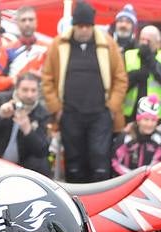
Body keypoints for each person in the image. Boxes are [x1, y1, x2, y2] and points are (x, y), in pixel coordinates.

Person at [41, 1, 126, 183]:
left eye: (88, 26)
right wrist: (56, 108)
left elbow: (120, 78)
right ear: (74, 25)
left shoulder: (107, 44)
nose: (84, 30)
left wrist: (112, 107)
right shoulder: (59, 44)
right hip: (70, 113)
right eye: (80, 26)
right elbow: (47, 78)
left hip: (100, 114)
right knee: (74, 162)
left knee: (99, 160)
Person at [0, 69, 51, 175]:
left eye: (33, 91)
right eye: (25, 90)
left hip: (23, 168)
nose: (29, 95)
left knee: (43, 164)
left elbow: (43, 150)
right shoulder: (2, 99)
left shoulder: (41, 113)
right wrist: (0, 115)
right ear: (17, 89)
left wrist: (28, 130)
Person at [0, 5, 46, 93]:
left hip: (40, 98)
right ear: (17, 23)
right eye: (23, 20)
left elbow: (57, 78)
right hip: (13, 97)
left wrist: (42, 77)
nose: (27, 23)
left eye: (31, 19)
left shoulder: (47, 49)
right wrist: (13, 80)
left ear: (36, 22)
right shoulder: (7, 49)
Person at [123, 24, 161, 120]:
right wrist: (136, 75)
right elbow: (121, 83)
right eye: (142, 39)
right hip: (131, 113)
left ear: (158, 43)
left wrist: (150, 58)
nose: (144, 43)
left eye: (148, 41)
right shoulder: (128, 55)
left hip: (156, 114)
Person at [111, 91, 161, 173]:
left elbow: (158, 162)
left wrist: (145, 176)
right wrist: (130, 176)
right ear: (138, 120)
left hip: (147, 179)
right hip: (125, 178)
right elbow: (115, 162)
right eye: (146, 120)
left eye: (153, 120)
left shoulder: (158, 139)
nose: (149, 124)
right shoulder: (126, 137)